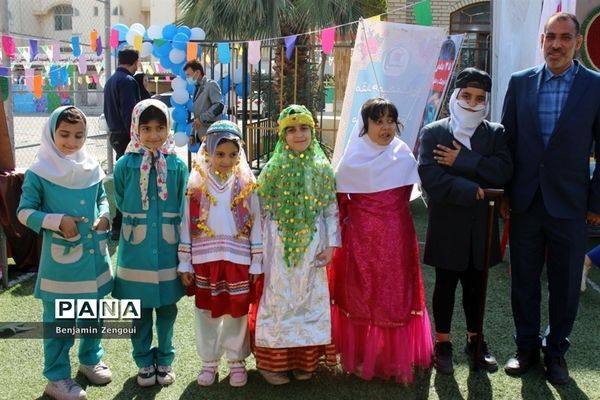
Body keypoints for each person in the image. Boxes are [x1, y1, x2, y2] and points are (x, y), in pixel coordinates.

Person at [500, 12, 600, 385]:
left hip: (571, 206)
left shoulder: (595, 86)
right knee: (523, 279)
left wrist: (596, 204)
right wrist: (507, 193)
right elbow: (508, 142)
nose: (556, 44)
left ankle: (556, 351)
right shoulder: (521, 83)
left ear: (577, 43)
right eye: (550, 37)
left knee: (565, 282)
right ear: (542, 40)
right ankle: (525, 347)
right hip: (526, 202)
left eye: (564, 38)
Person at [418, 69, 513, 375]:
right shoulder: (434, 131)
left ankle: (475, 341)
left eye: (480, 98)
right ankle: (442, 343)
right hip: (447, 223)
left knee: (477, 286)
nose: (472, 103)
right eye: (466, 96)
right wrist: (473, 188)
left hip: (481, 227)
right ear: (455, 96)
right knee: (445, 285)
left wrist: (462, 161)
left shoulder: (496, 133)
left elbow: (502, 173)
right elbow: (431, 178)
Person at [332, 97, 433, 383]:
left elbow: (407, 197)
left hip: (396, 237)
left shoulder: (403, 155)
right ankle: (364, 355)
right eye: (378, 121)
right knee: (363, 294)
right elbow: (340, 202)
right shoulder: (352, 159)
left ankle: (391, 358)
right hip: (361, 239)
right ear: (365, 126)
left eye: (391, 120)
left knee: (394, 294)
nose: (386, 127)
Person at [17, 106, 113, 400]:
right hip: (62, 264)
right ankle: (57, 378)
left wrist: (104, 216)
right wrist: (56, 221)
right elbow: (24, 212)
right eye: (65, 134)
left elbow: (101, 199)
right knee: (59, 322)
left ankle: (89, 360)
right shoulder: (39, 172)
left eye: (79, 135)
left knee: (93, 314)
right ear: (51, 133)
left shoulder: (92, 166)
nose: (72, 141)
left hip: (93, 258)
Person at [251, 104, 340, 385]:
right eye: (291, 130)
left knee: (308, 299)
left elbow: (330, 209)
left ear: (312, 132)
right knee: (279, 300)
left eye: (304, 128)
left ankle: (306, 362)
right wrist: (260, 250)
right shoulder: (272, 169)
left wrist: (331, 245)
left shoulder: (322, 168)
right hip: (277, 246)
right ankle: (272, 365)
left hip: (313, 245)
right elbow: (260, 211)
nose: (298, 134)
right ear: (282, 136)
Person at [177, 120, 262, 388]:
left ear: (241, 155)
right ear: (207, 152)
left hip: (238, 258)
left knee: (236, 312)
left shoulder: (247, 183)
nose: (226, 160)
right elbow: (184, 222)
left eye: (233, 154)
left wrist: (256, 261)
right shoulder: (197, 183)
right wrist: (185, 261)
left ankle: (237, 361)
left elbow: (258, 220)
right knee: (207, 312)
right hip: (204, 259)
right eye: (220, 153)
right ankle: (209, 361)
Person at [112, 99, 188, 387]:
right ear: (135, 129)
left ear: (169, 128)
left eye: (160, 128)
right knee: (138, 310)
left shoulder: (177, 165)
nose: (154, 135)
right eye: (146, 128)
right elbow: (120, 198)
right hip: (136, 251)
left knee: (168, 308)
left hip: (168, 249)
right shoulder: (125, 165)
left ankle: (165, 359)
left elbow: (182, 203)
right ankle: (144, 361)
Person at [103, 47, 141, 240]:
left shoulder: (110, 80)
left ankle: (119, 223)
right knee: (128, 179)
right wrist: (136, 138)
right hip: (127, 137)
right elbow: (131, 113)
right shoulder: (127, 81)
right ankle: (120, 223)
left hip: (115, 134)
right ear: (135, 62)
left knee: (122, 178)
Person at [183, 60, 224, 142]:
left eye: (188, 75)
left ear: (197, 72)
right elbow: (197, 115)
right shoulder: (196, 88)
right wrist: (192, 133)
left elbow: (219, 106)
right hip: (201, 135)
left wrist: (202, 119)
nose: (187, 78)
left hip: (212, 133)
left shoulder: (211, 85)